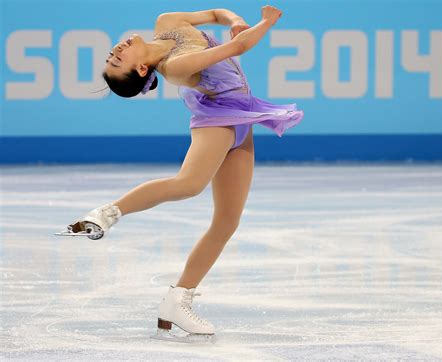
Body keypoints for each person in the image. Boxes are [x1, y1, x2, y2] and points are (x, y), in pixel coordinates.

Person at [66, 5, 303, 338]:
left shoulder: (166, 22)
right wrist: (267, 23)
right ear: (142, 67)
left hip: (242, 121)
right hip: (217, 122)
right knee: (189, 184)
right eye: (117, 60)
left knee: (226, 222)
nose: (116, 50)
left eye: (111, 55)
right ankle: (106, 214)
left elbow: (217, 13)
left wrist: (235, 21)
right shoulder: (175, 68)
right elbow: (236, 48)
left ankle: (178, 300)